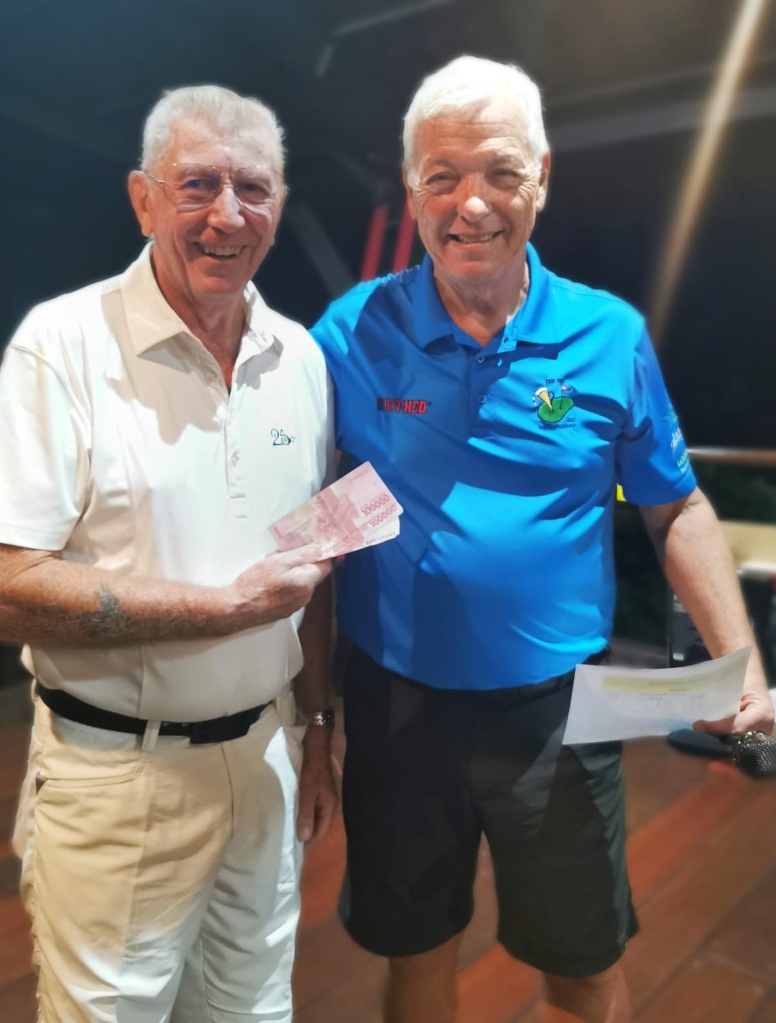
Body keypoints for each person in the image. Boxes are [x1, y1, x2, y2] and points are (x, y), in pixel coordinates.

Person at [310, 55, 773, 1023]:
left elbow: (675, 506)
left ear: (542, 179)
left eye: (500, 172)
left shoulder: (607, 335)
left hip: (563, 714)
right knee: (414, 949)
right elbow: (301, 512)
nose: (471, 203)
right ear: (412, 191)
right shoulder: (350, 332)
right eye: (442, 176)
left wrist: (740, 666)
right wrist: (309, 715)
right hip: (394, 707)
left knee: (583, 962)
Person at [0, 84, 338, 1023]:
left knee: (254, 1011)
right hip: (118, 777)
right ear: (143, 199)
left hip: (267, 757)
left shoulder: (301, 358)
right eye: (196, 184)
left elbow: (314, 567)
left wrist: (317, 728)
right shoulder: (63, 343)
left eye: (253, 188)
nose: (227, 215)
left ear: (279, 206)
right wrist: (224, 608)